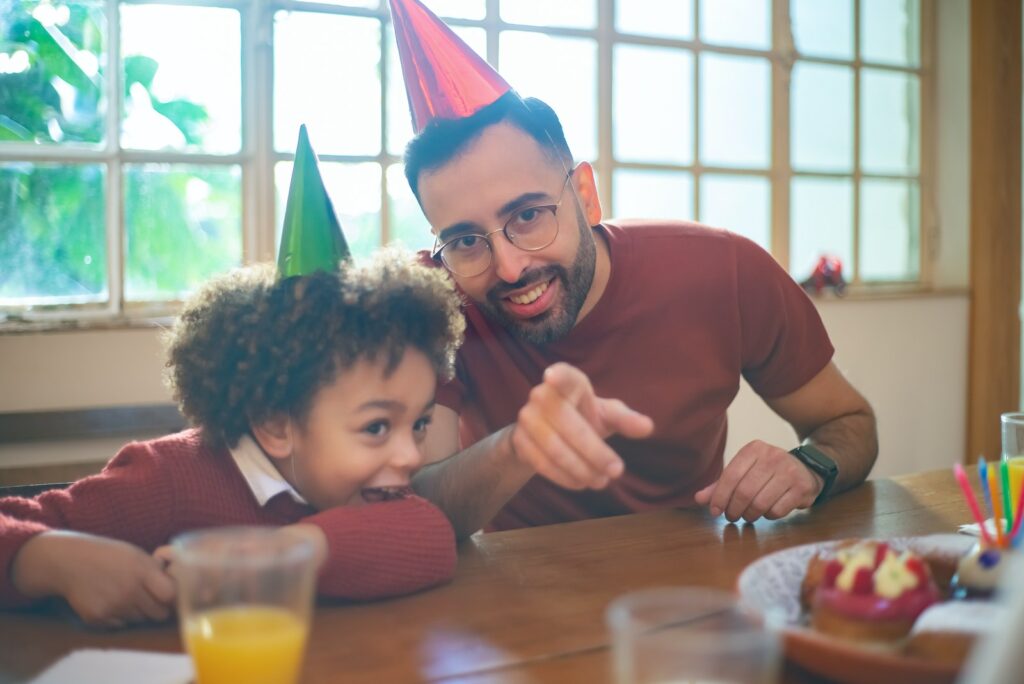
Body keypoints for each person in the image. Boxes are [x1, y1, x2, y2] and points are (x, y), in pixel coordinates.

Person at [386, 0, 878, 539]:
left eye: (528, 215)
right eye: (464, 241)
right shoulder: (434, 305)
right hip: (518, 600)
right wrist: (517, 446)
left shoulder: (724, 272)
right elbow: (416, 507)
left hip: (687, 590)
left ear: (585, 195)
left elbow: (849, 425)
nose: (508, 267)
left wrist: (810, 467)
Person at [0, 128, 465, 627]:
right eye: (377, 427)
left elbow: (432, 536)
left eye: (418, 424)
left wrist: (281, 551)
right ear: (276, 423)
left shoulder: (372, 484)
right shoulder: (167, 477)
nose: (411, 454)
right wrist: (49, 559)